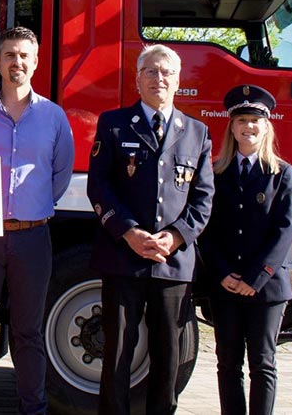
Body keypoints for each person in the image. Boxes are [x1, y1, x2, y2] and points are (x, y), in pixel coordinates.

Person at [87, 43, 214, 415]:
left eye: (166, 73)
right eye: (151, 71)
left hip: (171, 264)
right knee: (117, 355)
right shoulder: (113, 124)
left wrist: (174, 237)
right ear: (137, 80)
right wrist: (129, 233)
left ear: (178, 81)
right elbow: (100, 186)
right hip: (122, 258)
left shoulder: (197, 132)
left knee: (168, 355)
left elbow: (203, 199)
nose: (159, 78)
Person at [0, 26, 75, 415]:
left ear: (36, 62)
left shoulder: (55, 118)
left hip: (32, 238)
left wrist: (33, 205)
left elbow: (60, 176)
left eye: (24, 55)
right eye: (9, 55)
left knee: (29, 333)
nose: (17, 62)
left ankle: (34, 409)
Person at [197, 85, 292, 415]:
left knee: (262, 363)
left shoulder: (282, 174)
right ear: (232, 127)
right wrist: (223, 273)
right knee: (227, 364)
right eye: (241, 120)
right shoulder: (215, 172)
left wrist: (254, 279)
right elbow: (205, 230)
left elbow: (284, 232)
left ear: (266, 126)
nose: (248, 127)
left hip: (266, 288)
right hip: (225, 284)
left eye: (255, 121)